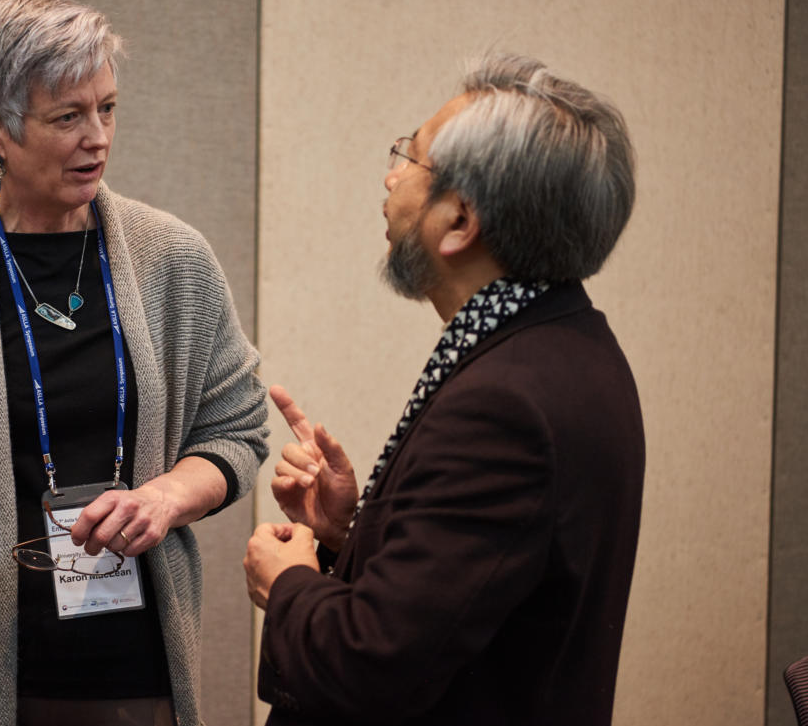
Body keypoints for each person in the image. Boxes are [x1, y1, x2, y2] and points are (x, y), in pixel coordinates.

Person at [0, 0, 268, 726]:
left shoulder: (174, 260)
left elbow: (237, 430)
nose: (98, 137)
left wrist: (165, 498)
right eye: (68, 117)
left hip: (138, 669)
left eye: (108, 108)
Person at [244, 53, 645, 726]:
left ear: (460, 221)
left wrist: (288, 581)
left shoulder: (506, 406)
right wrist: (345, 535)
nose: (391, 174)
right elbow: (462, 601)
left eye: (412, 156)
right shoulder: (569, 346)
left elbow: (374, 667)